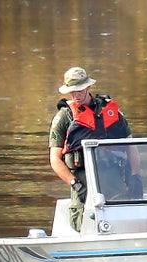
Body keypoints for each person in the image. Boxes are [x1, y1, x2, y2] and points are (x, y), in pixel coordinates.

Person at [48, 66, 140, 231]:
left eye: (80, 90)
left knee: (124, 220)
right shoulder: (64, 117)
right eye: (72, 91)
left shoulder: (111, 111)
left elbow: (130, 146)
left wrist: (135, 176)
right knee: (81, 223)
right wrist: (74, 183)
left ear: (88, 87)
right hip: (82, 183)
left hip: (113, 178)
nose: (76, 95)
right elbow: (54, 159)